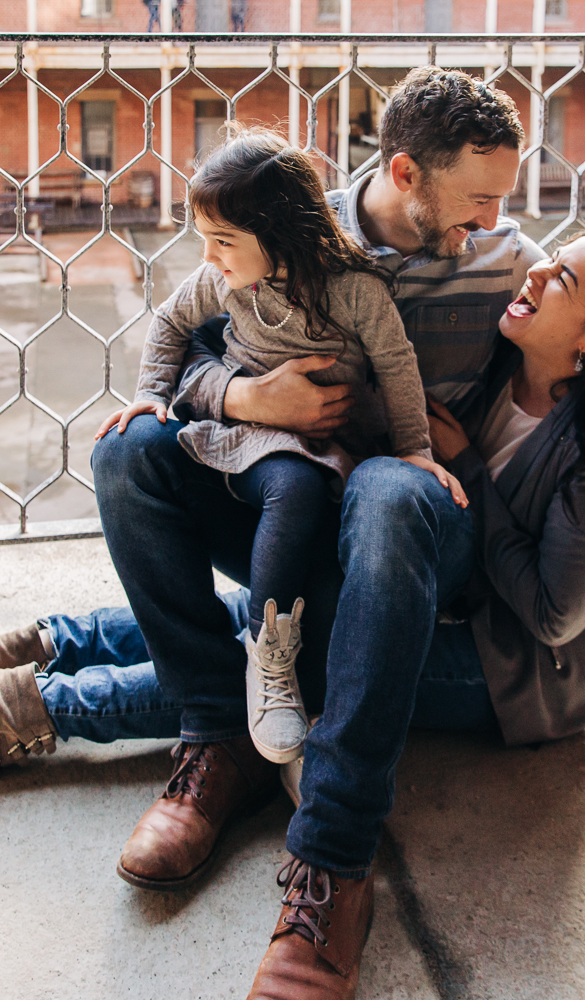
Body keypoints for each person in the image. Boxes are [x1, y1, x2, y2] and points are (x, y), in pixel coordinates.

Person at [0, 66, 565, 998]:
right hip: (281, 491)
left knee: (380, 494)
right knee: (130, 456)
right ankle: (219, 740)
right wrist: (250, 397)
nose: (494, 219)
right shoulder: (280, 217)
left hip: (404, 529)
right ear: (405, 172)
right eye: (478, 198)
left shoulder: (512, 266)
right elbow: (189, 347)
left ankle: (332, 860)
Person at [91, 126, 461, 765]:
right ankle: (237, 680)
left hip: (320, 450)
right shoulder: (227, 282)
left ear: (282, 231)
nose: (208, 256)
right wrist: (152, 394)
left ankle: (268, 649)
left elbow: (398, 368)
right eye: (204, 239)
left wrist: (416, 451)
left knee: (298, 487)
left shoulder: (354, 289)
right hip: (238, 436)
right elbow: (171, 323)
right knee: (133, 454)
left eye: (223, 241)